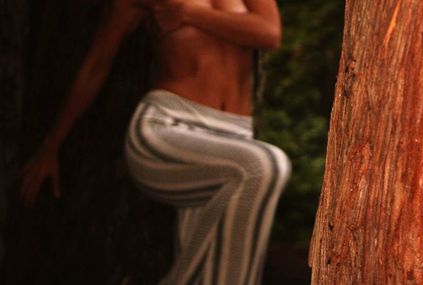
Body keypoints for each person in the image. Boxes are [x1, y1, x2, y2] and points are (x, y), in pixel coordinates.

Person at [19, 0, 291, 284]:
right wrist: (51, 146)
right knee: (266, 165)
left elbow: (269, 33)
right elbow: (96, 65)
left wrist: (189, 14)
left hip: (234, 138)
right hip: (168, 129)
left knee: (214, 270)